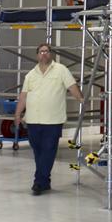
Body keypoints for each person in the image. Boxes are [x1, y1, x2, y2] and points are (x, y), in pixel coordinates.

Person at [14, 43, 81, 195]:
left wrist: (81, 98)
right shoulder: (31, 74)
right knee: (38, 152)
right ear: (37, 55)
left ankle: (38, 181)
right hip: (32, 120)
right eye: (41, 51)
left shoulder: (61, 70)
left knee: (48, 151)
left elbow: (72, 87)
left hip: (53, 120)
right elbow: (24, 96)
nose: (44, 54)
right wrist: (18, 114)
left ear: (51, 54)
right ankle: (45, 182)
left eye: (46, 51)